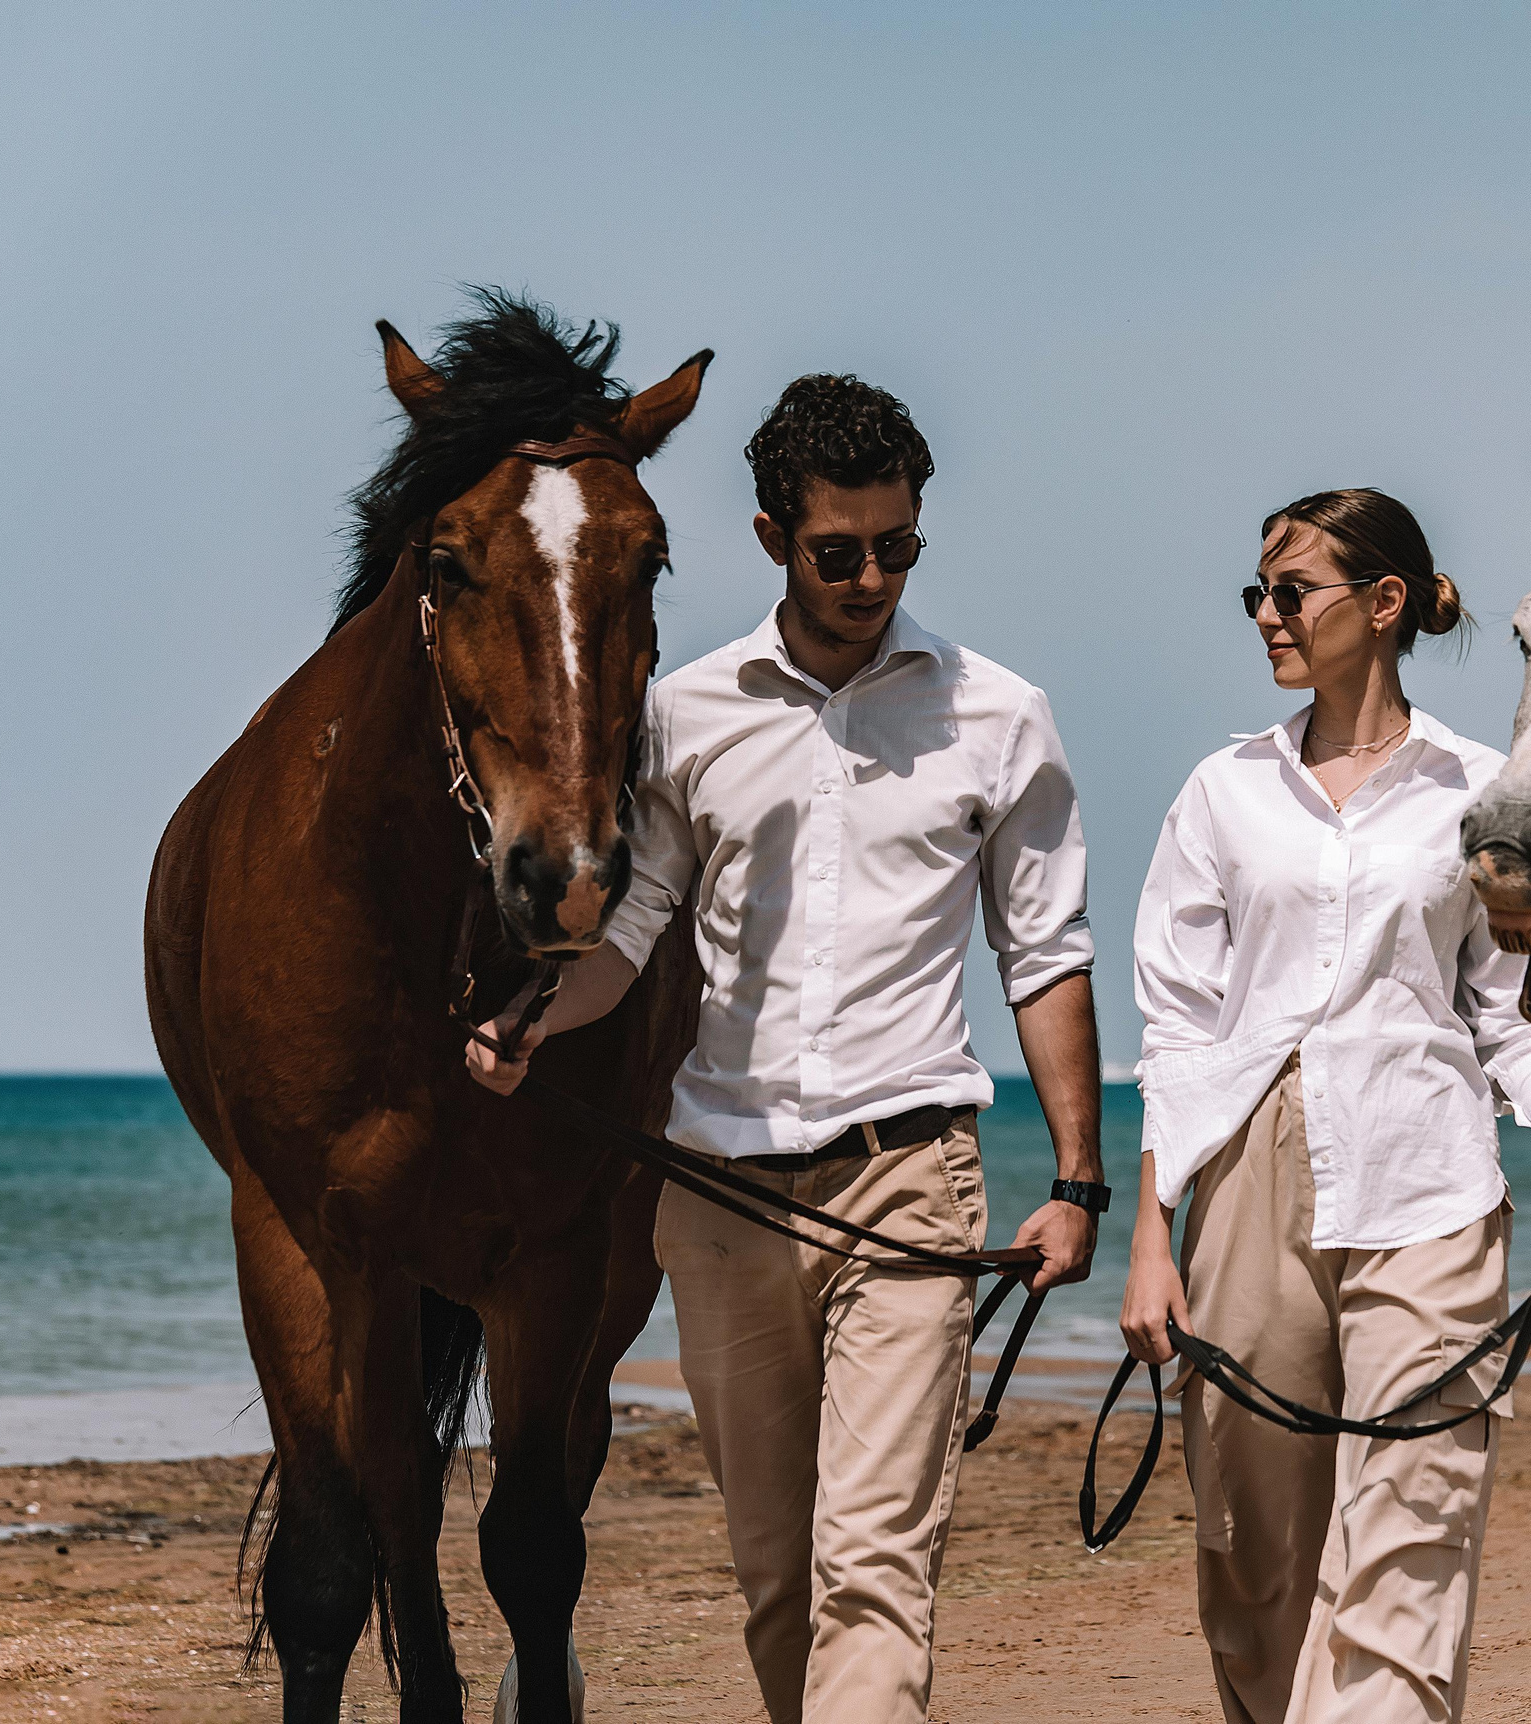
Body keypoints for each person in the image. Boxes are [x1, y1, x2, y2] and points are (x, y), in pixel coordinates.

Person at [468, 374, 1107, 1724]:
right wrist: (534, 1021)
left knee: (873, 1572)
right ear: (771, 537)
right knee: (777, 1582)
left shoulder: (999, 714)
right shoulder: (686, 713)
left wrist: (1075, 1179)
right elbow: (633, 935)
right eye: (838, 551)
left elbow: (1045, 953)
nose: (871, 575)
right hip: (720, 1199)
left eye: (897, 547)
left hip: (908, 1185)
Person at [1119, 489, 1531, 1723]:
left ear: (1383, 603)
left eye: (1289, 589)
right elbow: (1179, 1028)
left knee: (1409, 1531)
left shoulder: (1483, 789)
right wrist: (1152, 1235)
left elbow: (1506, 1014)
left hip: (1429, 1179)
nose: (1266, 613)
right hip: (1247, 1175)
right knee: (1255, 1555)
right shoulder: (1222, 791)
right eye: (1254, 592)